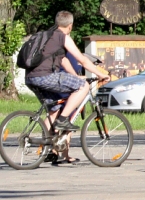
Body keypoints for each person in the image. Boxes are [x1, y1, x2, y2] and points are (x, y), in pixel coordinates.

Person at [24, 10, 110, 163]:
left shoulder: (47, 36)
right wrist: (100, 73)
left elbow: (63, 60)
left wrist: (75, 77)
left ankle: (48, 148)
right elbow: (82, 60)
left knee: (53, 111)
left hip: (31, 78)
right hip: (45, 76)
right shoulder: (63, 37)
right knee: (83, 86)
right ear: (70, 25)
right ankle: (64, 119)